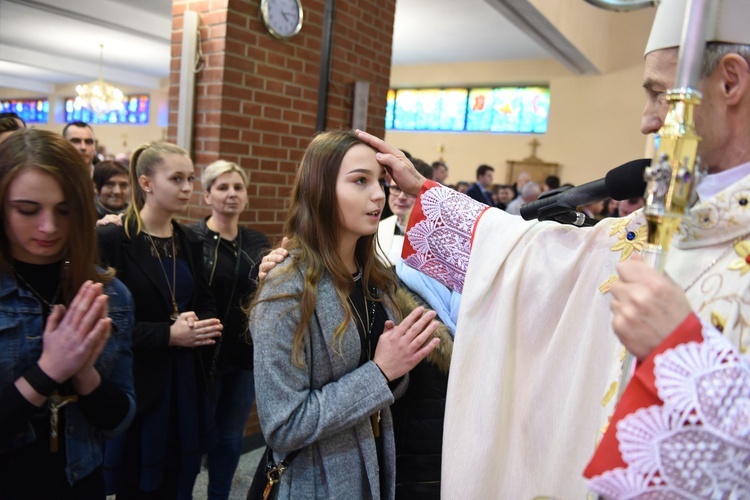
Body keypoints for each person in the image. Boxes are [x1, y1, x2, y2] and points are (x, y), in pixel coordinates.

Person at [356, 0, 750, 492]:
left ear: (730, 82)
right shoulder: (653, 229)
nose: (648, 122)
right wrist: (426, 198)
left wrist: (680, 355)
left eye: (660, 95)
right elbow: (538, 257)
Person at [248, 129, 440, 499]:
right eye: (360, 181)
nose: (379, 195)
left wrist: (398, 365)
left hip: (372, 464)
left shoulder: (376, 280)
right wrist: (381, 371)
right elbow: (283, 426)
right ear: (320, 189)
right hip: (315, 480)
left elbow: (389, 385)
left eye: (380, 182)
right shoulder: (286, 287)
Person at [0, 129, 135, 499]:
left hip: (81, 483)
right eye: (28, 210)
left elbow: (119, 418)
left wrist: (84, 373)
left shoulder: (109, 294)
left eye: (64, 210)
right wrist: (47, 372)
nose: (49, 227)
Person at [98, 142, 223, 499]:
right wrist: (167, 335)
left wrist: (201, 325)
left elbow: (206, 301)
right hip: (140, 378)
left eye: (190, 179)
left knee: (179, 480)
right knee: (137, 484)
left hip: (184, 378)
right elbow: (106, 325)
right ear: (146, 183)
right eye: (177, 179)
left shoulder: (189, 239)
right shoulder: (114, 238)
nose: (187, 187)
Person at [187, 160, 270, 500]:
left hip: (243, 354)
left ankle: (218, 495)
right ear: (207, 195)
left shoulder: (255, 240)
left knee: (231, 434)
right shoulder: (193, 239)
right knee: (196, 432)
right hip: (201, 353)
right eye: (222, 187)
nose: (231, 194)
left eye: (238, 187)